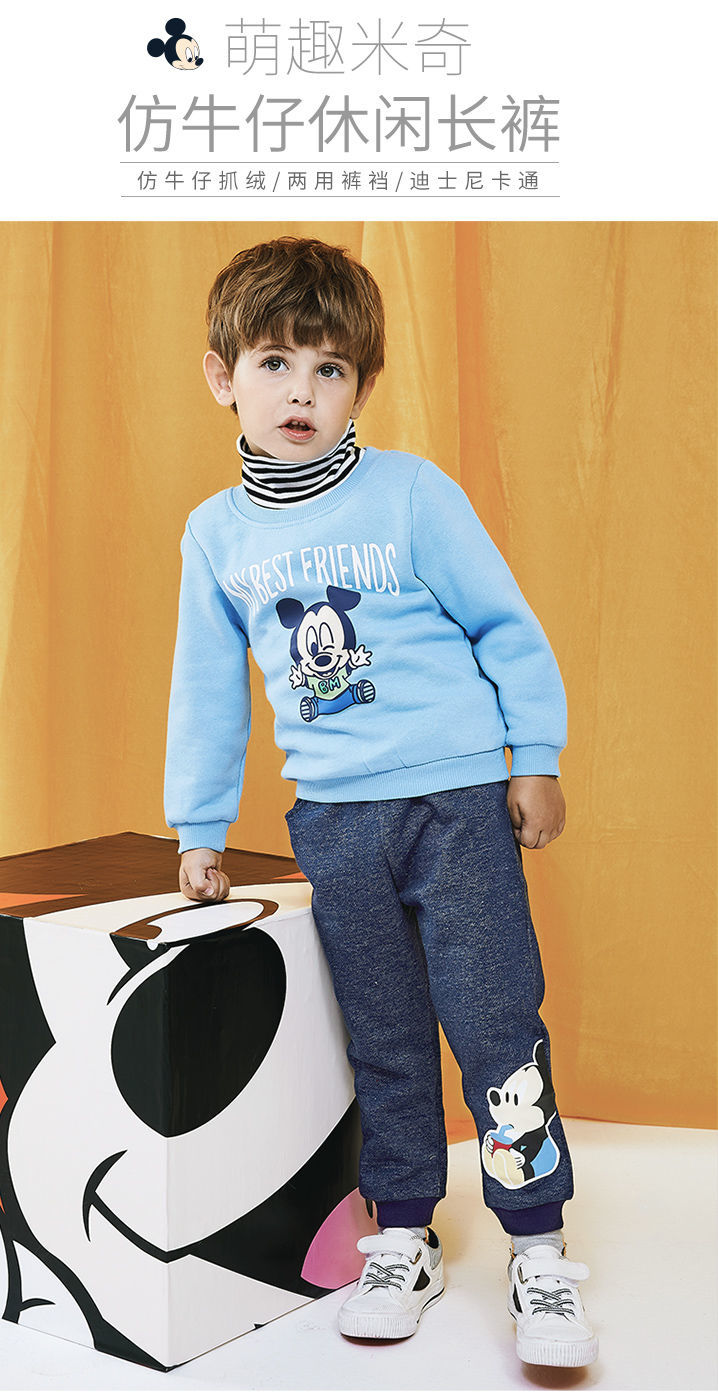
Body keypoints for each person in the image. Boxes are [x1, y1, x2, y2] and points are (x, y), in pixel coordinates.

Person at [164, 236, 598, 1367]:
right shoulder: (216, 535)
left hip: (456, 804)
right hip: (335, 820)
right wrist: (199, 826)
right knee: (386, 1034)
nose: (301, 392)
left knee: (495, 1021)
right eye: (274, 363)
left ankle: (540, 1246)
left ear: (361, 384)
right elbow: (208, 691)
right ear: (222, 376)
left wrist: (534, 754)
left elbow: (505, 623)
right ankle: (403, 1230)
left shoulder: (410, 494)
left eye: (329, 369)